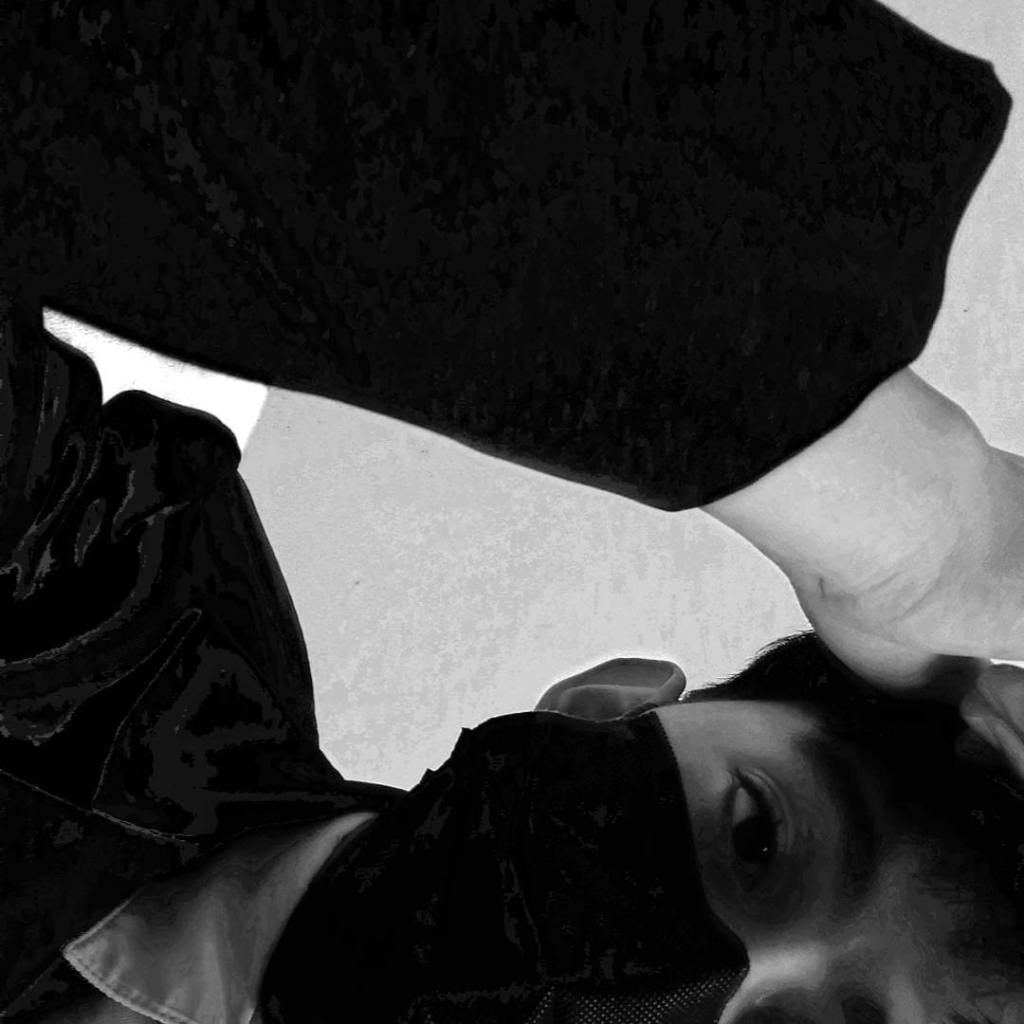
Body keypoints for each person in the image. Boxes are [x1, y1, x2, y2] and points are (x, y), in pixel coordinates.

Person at [1, 0, 1023, 1021]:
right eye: (754, 834)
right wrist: (947, 531)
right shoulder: (93, 576)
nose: (696, 982)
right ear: (600, 706)